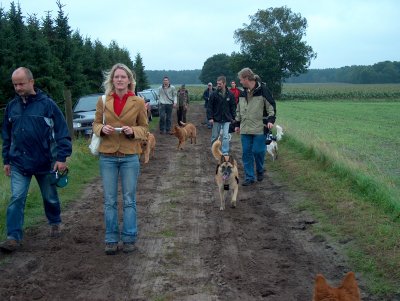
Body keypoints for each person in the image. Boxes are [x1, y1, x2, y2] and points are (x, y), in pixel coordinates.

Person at [0, 67, 72, 253]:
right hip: (18, 163)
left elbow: (63, 132)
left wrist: (61, 157)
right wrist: (6, 160)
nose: (18, 88)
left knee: (50, 197)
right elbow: (6, 136)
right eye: (15, 84)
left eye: (21, 83)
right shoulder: (11, 107)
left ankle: (55, 222)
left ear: (31, 82)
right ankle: (13, 237)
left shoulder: (48, 105)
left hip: (46, 162)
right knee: (16, 198)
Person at [92, 63, 148, 255]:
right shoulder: (103, 100)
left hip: (129, 155)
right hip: (107, 155)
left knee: (129, 199)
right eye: (116, 77)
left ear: (129, 80)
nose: (120, 80)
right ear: (112, 80)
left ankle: (130, 237)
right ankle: (111, 239)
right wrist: (101, 129)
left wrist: (133, 131)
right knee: (109, 200)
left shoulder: (138, 102)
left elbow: (145, 129)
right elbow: (96, 123)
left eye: (123, 77)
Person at [234, 67, 276, 186]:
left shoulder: (263, 90)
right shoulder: (242, 93)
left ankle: (260, 169)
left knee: (258, 151)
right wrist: (237, 124)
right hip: (245, 128)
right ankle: (249, 177)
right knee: (246, 153)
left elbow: (271, 106)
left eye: (241, 79)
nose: (240, 82)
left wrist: (271, 119)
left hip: (259, 127)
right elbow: (238, 110)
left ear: (247, 78)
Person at [207, 75, 236, 155]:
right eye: (217, 83)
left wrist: (234, 117)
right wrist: (210, 117)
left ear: (224, 83)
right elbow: (209, 107)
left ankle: (225, 152)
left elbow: (233, 106)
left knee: (226, 136)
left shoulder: (230, 94)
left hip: (227, 119)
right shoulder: (213, 94)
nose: (218, 85)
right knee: (215, 136)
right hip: (216, 119)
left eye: (220, 84)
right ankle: (214, 150)